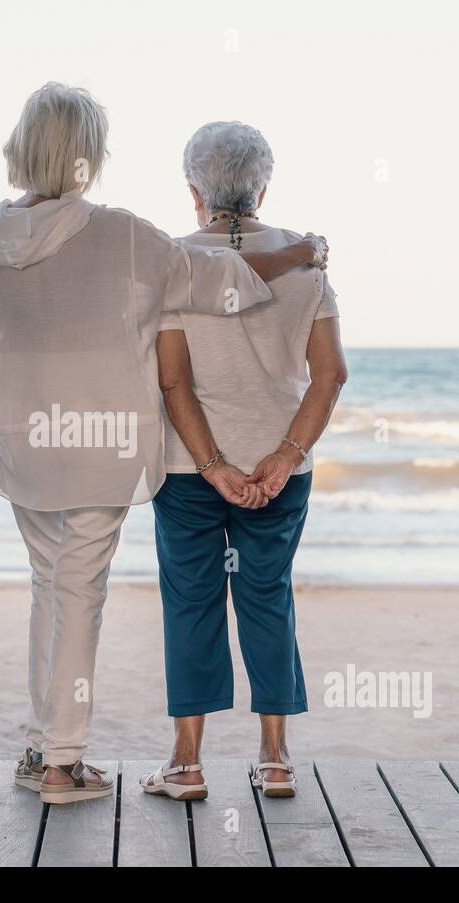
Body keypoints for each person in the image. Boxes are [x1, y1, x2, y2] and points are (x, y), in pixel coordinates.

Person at [0, 86, 325, 805]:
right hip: (102, 448)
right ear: (89, 155)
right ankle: (61, 760)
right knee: (78, 590)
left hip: (26, 446)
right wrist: (303, 251)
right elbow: (220, 281)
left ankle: (42, 743)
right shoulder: (120, 234)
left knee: (46, 586)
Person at [140, 121, 348, 801]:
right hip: (279, 469)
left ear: (193, 188)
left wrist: (213, 465)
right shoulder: (305, 262)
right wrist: (285, 459)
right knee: (267, 599)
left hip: (188, 468)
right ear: (263, 185)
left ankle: (187, 765)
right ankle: (276, 760)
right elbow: (330, 376)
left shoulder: (172, 262)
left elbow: (173, 382)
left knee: (191, 604)